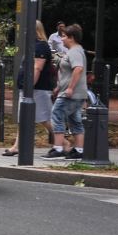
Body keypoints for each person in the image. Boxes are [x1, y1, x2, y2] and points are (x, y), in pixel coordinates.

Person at [3, 20, 55, 156]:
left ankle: (63, 144)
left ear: (35, 31)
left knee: (45, 119)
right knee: (24, 118)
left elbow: (37, 68)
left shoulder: (41, 47)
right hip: (31, 89)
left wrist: (29, 87)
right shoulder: (33, 46)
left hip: (37, 90)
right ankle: (17, 146)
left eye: (28, 30)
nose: (25, 32)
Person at [46, 23, 87, 159]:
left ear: (72, 38)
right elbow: (68, 71)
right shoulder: (76, 50)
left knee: (56, 115)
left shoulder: (75, 52)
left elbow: (78, 69)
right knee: (75, 120)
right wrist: (59, 87)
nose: (61, 39)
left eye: (64, 37)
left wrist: (70, 88)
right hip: (74, 93)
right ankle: (79, 150)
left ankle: (58, 148)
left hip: (71, 94)